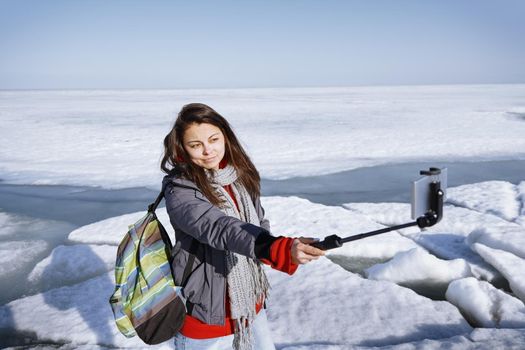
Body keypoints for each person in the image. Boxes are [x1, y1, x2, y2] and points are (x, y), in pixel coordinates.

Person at [160, 103, 325, 350]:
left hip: (249, 302)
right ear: (182, 149)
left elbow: (258, 222)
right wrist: (271, 247)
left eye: (213, 139)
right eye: (196, 145)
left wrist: (280, 247)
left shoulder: (240, 176)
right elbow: (219, 228)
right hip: (203, 310)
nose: (208, 150)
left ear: (225, 136)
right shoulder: (181, 189)